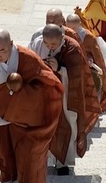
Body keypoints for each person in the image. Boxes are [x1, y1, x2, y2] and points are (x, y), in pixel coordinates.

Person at [0, 28, 64, 183]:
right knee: (8, 157)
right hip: (2, 123)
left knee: (32, 158)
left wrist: (21, 97)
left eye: (2, 50)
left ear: (11, 44)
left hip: (30, 123)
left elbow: (49, 84)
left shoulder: (27, 57)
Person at [30, 23, 96, 175]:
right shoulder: (38, 43)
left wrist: (60, 69)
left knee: (68, 124)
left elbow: (78, 73)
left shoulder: (72, 48)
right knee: (44, 125)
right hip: (44, 92)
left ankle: (63, 163)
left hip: (67, 94)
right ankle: (44, 159)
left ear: (62, 39)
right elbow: (30, 62)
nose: (50, 47)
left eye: (53, 44)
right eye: (47, 43)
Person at [66, 13, 106, 115]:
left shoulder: (88, 37)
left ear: (80, 24)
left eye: (74, 28)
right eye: (69, 27)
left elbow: (97, 56)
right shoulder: (65, 34)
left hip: (88, 68)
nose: (72, 30)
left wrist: (91, 60)